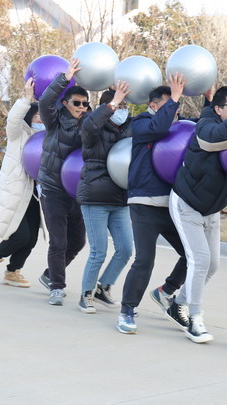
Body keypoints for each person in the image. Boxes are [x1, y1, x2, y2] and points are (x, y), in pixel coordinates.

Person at [167, 81, 227, 343]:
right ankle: (195, 319)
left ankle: (177, 305)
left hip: (211, 208)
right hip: (187, 204)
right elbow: (220, 138)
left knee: (213, 265)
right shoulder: (205, 128)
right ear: (218, 109)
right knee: (200, 261)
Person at [116, 73, 189, 334]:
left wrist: (210, 100)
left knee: (193, 255)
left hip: (171, 204)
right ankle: (127, 310)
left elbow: (203, 129)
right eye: (169, 105)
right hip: (145, 202)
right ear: (154, 105)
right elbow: (158, 128)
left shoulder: (176, 126)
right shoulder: (142, 123)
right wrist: (175, 98)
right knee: (145, 260)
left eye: (176, 105)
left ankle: (166, 291)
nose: (175, 110)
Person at [76, 82, 134, 314]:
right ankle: (86, 294)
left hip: (120, 199)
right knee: (98, 251)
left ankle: (104, 287)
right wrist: (112, 103)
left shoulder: (129, 128)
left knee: (126, 249)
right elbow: (91, 124)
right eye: (119, 106)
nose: (122, 110)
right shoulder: (91, 128)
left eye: (125, 106)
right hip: (95, 197)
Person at [37, 58, 90, 305]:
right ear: (66, 103)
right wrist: (65, 78)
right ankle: (57, 287)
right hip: (53, 189)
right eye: (76, 103)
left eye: (85, 104)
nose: (81, 107)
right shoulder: (55, 120)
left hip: (76, 192)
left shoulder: (89, 124)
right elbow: (45, 101)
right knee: (58, 241)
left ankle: (49, 275)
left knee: (78, 241)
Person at [0, 77, 44, 287]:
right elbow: (13, 119)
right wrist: (27, 99)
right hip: (17, 191)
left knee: (32, 239)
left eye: (43, 117)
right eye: (37, 117)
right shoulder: (18, 134)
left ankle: (13, 272)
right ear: (29, 117)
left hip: (36, 193)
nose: (41, 120)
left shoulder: (46, 136)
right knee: (20, 236)